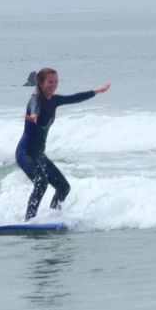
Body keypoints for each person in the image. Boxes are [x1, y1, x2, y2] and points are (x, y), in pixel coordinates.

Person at [15, 67, 111, 220]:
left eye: (56, 81)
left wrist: (96, 91)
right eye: (50, 82)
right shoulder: (36, 99)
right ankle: (29, 220)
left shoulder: (54, 100)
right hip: (25, 152)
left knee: (63, 187)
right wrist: (33, 115)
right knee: (41, 184)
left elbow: (74, 98)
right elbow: (35, 108)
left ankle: (54, 216)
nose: (54, 84)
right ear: (40, 83)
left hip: (38, 154)